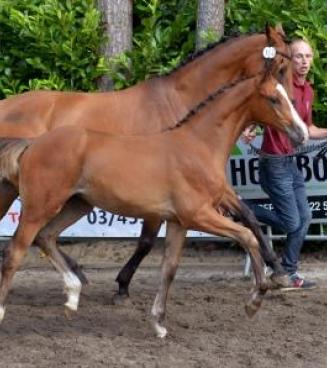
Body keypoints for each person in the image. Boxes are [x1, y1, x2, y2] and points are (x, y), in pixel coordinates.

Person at [242, 39, 327, 289]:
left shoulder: (308, 91)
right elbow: (263, 107)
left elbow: (308, 129)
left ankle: (287, 272)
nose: (304, 62)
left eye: (308, 57)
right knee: (292, 223)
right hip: (273, 163)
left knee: (305, 217)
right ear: (290, 59)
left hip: (289, 162)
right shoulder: (280, 86)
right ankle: (239, 206)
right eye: (299, 56)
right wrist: (252, 126)